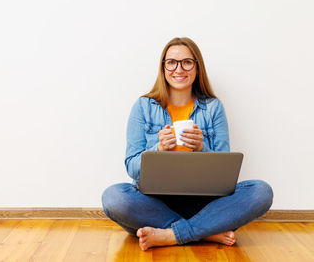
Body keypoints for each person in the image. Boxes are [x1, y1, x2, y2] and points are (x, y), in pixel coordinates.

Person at [101, 37, 273, 251]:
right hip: (156, 203)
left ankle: (170, 234)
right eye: (171, 62)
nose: (179, 69)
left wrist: (203, 149)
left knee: (261, 191)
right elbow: (132, 167)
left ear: (197, 67)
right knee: (113, 197)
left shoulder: (213, 108)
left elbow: (224, 173)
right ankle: (207, 231)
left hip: (205, 203)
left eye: (187, 62)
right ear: (163, 68)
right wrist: (158, 150)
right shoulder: (143, 106)